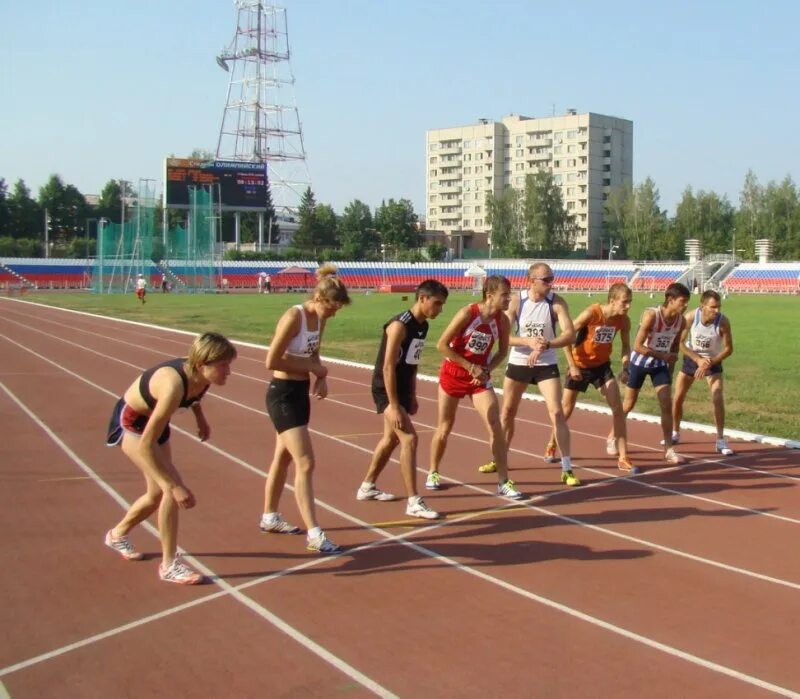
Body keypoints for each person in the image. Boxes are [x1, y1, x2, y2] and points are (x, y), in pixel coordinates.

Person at [104, 332, 238, 585]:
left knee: (155, 494)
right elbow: (145, 445)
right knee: (168, 490)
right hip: (134, 424)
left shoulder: (202, 377)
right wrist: (174, 486)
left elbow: (195, 394)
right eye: (223, 366)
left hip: (157, 420)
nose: (228, 371)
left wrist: (200, 418)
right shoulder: (172, 386)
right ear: (202, 365)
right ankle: (169, 565)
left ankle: (117, 534)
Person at [261, 264, 350, 554]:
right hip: (282, 394)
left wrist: (319, 374)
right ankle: (314, 533)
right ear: (320, 299)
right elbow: (271, 360)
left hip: (300, 393)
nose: (334, 314)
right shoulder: (293, 317)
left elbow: (313, 350)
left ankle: (270, 516)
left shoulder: (320, 319)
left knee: (283, 459)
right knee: (305, 461)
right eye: (332, 309)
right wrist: (313, 368)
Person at [356, 279, 450, 519]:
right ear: (422, 299)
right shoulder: (399, 325)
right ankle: (414, 501)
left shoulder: (423, 326)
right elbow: (387, 367)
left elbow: (412, 362)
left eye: (442, 305)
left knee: (390, 440)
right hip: (385, 389)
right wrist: (394, 405)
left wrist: (413, 394)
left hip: (402, 390)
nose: (440, 309)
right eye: (437, 303)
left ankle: (367, 487)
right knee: (409, 439)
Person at [426, 276, 524, 500]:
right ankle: (433, 471)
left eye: (510, 294)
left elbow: (502, 352)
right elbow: (441, 345)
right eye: (504, 295)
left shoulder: (503, 321)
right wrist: (469, 366)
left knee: (495, 426)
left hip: (479, 379)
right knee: (445, 426)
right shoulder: (467, 314)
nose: (509, 298)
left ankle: (503, 481)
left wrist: (487, 369)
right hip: (453, 374)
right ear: (489, 296)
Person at [481, 263, 579, 486]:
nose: (550, 283)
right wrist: (527, 341)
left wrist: (547, 344)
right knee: (507, 412)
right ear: (531, 280)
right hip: (519, 361)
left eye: (551, 279)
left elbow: (570, 334)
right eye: (545, 279)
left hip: (545, 362)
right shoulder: (517, 301)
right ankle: (498, 459)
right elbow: (504, 336)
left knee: (556, 412)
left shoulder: (556, 302)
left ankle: (566, 468)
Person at [552, 283, 638, 473]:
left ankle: (623, 457)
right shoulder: (591, 314)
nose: (628, 306)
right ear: (612, 300)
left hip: (602, 367)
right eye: (624, 302)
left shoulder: (624, 321)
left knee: (617, 408)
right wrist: (572, 365)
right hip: (580, 366)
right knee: (566, 410)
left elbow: (625, 346)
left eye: (630, 302)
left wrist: (626, 367)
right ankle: (552, 442)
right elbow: (567, 336)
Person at [611, 282, 691, 465]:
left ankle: (669, 449)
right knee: (629, 404)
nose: (685, 305)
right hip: (639, 362)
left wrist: (670, 365)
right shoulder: (651, 316)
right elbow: (638, 346)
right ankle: (612, 435)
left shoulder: (681, 321)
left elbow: (674, 345)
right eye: (682, 301)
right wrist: (661, 354)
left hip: (660, 365)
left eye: (687, 302)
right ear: (670, 300)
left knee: (666, 404)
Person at [672, 290, 735, 455]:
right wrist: (697, 360)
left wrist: (709, 362)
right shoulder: (691, 317)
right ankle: (675, 432)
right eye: (713, 307)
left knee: (717, 397)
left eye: (719, 307)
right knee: (678, 398)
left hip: (712, 362)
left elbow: (729, 349)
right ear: (702, 306)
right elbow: (680, 343)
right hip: (692, 359)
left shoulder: (723, 322)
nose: (717, 311)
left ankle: (720, 440)